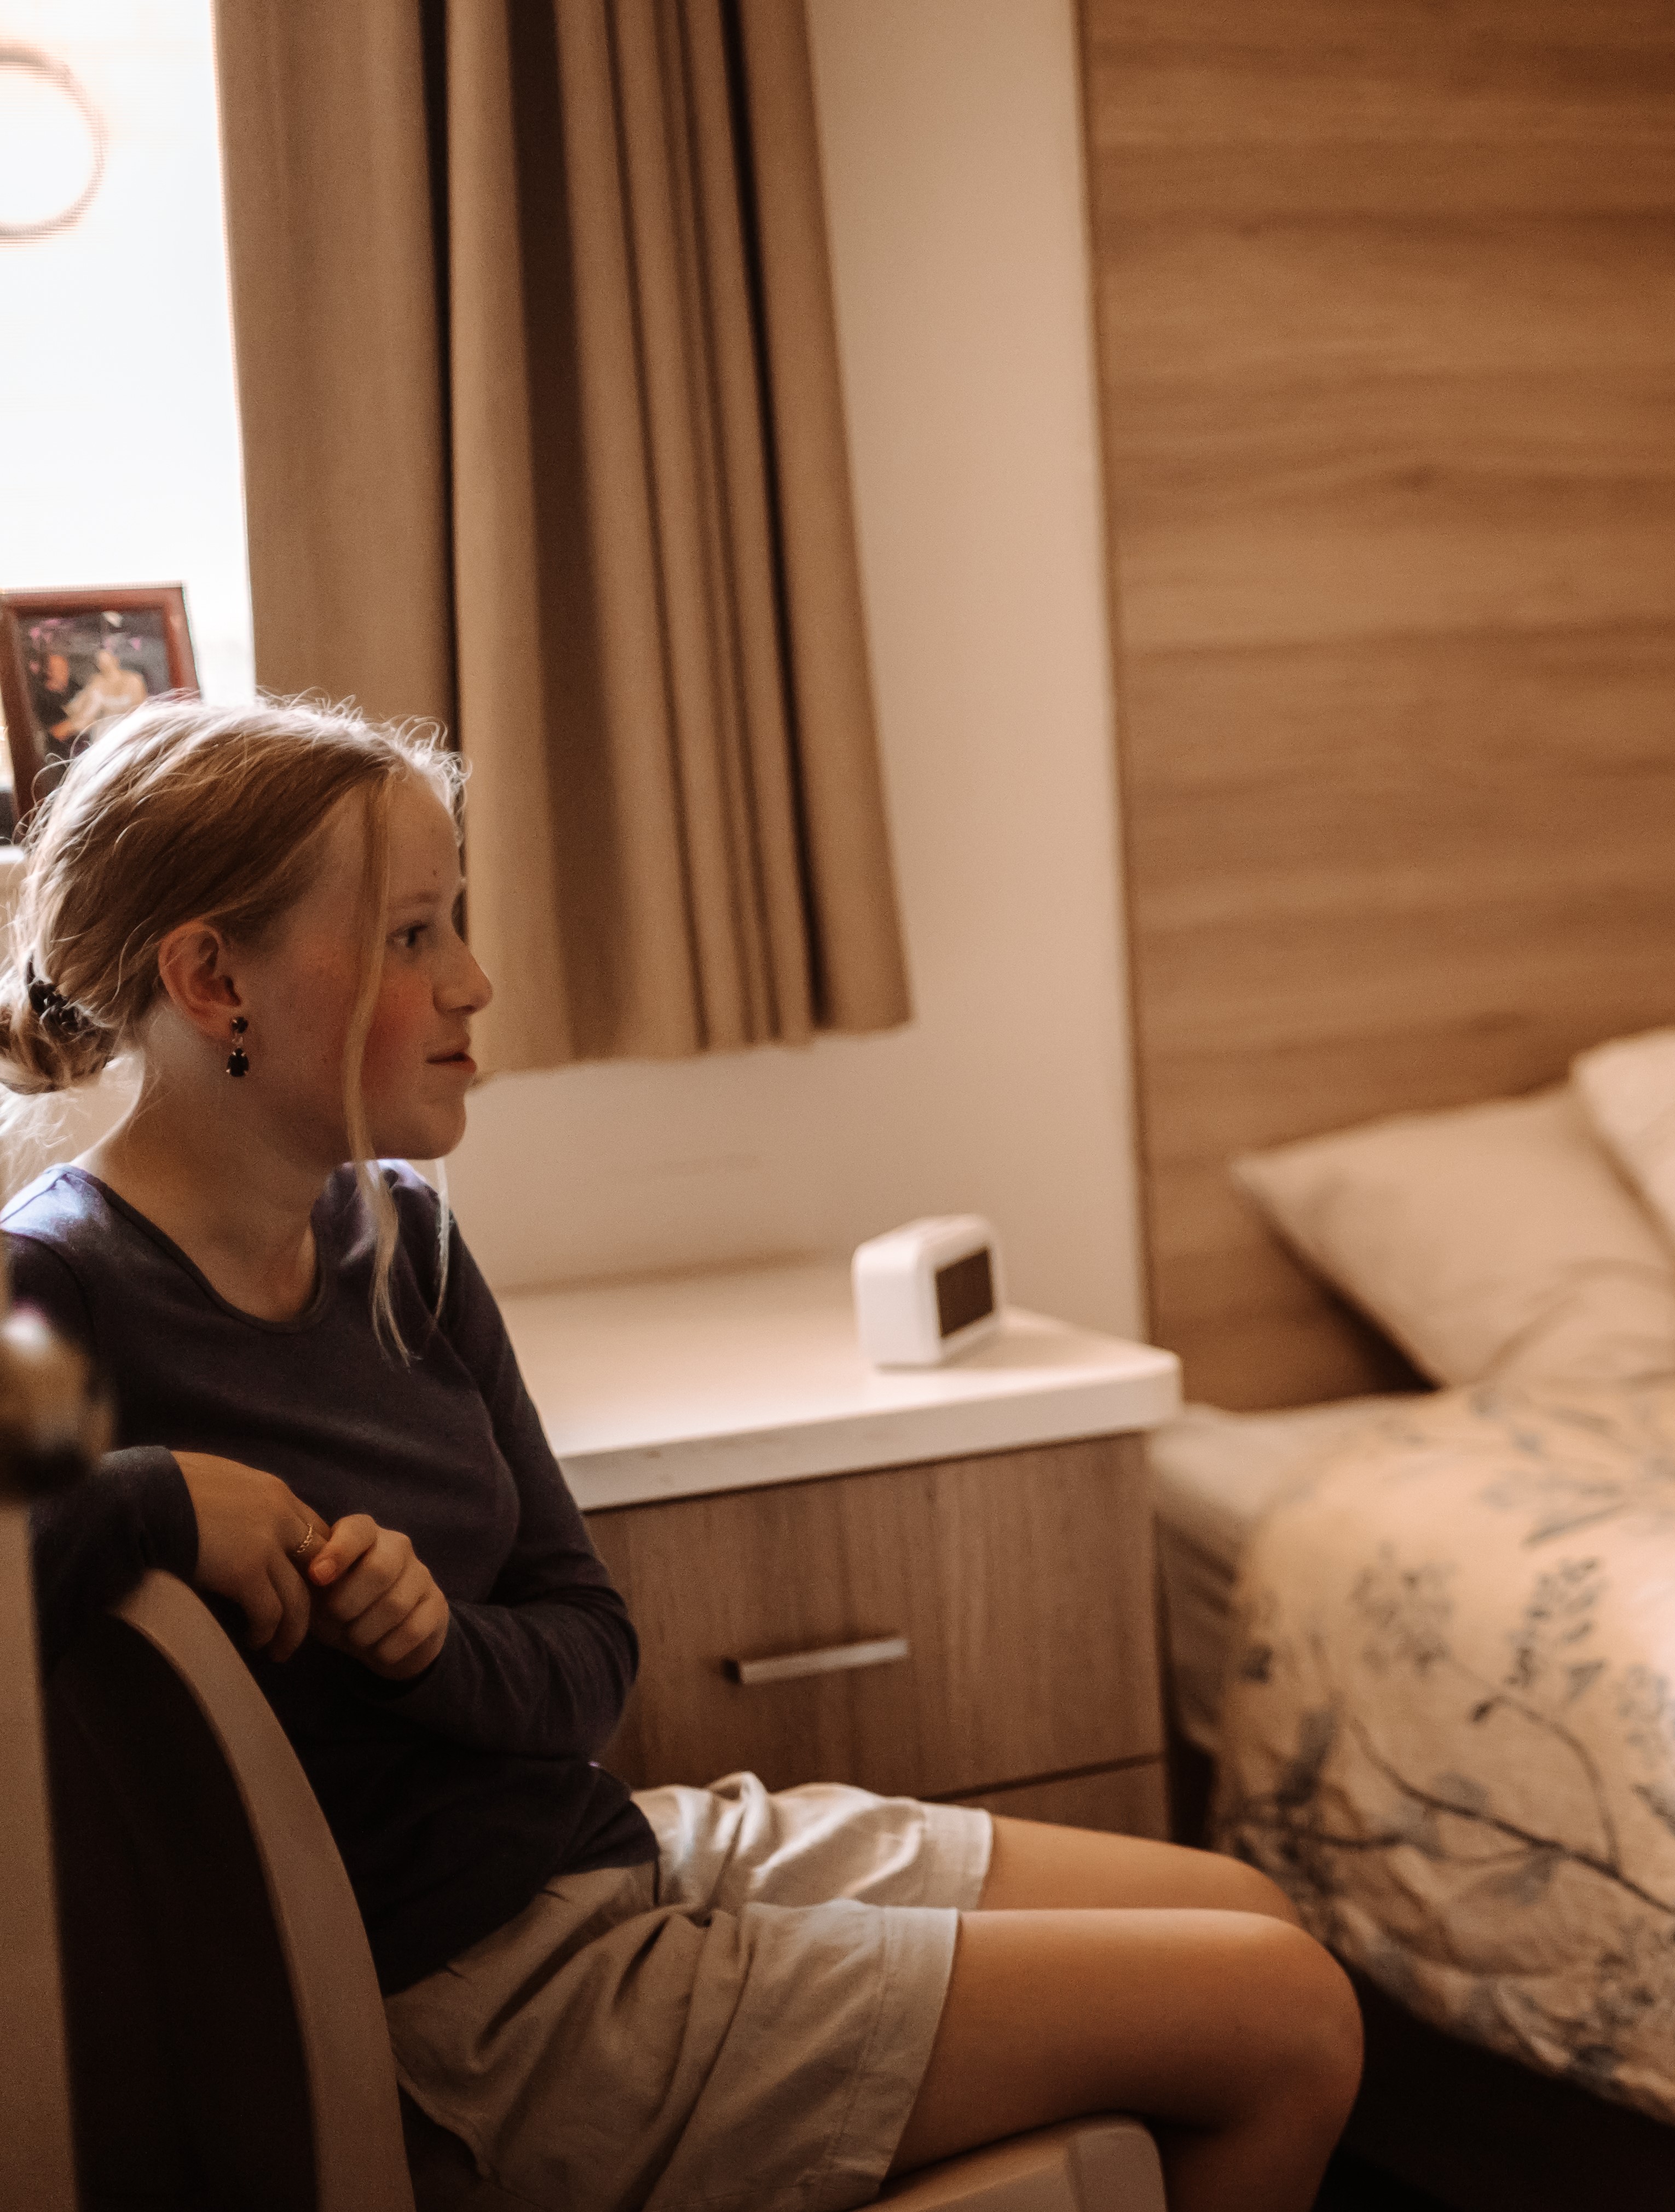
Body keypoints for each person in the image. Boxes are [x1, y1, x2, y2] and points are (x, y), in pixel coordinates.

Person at [10, 697, 1360, 2212]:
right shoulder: (53, 1293)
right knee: (1283, 2025)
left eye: (455, 920)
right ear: (213, 980)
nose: (474, 978)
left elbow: (593, 1647)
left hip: (608, 1851)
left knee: (1253, 1914)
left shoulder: (405, 1243)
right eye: (407, 937)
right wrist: (162, 1499)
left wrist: (433, 1648)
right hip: (469, 2001)